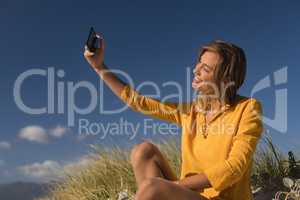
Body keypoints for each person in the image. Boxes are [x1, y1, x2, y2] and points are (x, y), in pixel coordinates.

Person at [84, 38, 263, 200]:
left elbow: (234, 168)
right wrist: (99, 67)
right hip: (190, 196)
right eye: (199, 64)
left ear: (226, 80)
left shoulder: (248, 109)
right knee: (143, 151)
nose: (196, 70)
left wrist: (173, 186)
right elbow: (140, 103)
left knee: (152, 186)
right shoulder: (191, 111)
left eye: (205, 68)